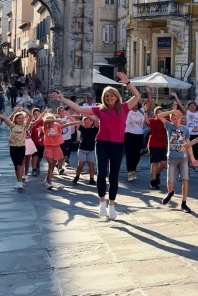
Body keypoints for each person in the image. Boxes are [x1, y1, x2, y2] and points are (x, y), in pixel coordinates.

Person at [51, 72, 141, 220]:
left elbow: (137, 96)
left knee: (114, 175)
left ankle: (112, 205)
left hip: (118, 145)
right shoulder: (100, 109)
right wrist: (63, 99)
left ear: (116, 96)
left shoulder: (124, 107)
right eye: (107, 96)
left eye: (111, 95)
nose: (109, 98)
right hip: (102, 144)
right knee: (101, 174)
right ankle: (102, 202)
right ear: (104, 98)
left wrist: (128, 83)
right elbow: (79, 109)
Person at [158, 109, 198, 213]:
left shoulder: (185, 129)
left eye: (178, 118)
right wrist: (171, 111)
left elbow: (188, 144)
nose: (176, 120)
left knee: (185, 179)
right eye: (174, 118)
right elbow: (159, 115)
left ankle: (184, 203)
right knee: (170, 180)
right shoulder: (169, 126)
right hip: (171, 157)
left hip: (183, 158)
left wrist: (193, 158)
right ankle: (170, 192)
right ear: (171, 119)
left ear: (181, 118)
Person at [0, 107, 31, 191]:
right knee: (16, 166)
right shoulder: (12, 126)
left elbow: (30, 116)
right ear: (15, 119)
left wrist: (23, 109)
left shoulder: (25, 126)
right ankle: (18, 181)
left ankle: (20, 182)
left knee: (19, 165)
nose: (21, 120)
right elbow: (3, 117)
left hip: (21, 148)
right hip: (13, 148)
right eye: (19, 118)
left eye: (22, 118)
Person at [171, 92, 198, 171]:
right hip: (188, 133)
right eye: (190, 106)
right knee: (187, 150)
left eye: (193, 106)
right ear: (188, 107)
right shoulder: (187, 112)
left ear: (196, 107)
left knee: (195, 150)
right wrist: (176, 97)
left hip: (196, 133)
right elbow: (180, 105)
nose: (192, 107)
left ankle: (195, 165)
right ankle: (186, 165)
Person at [124, 96, 148, 182]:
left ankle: (133, 169)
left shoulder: (141, 112)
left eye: (137, 104)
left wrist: (145, 110)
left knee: (137, 155)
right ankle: (130, 172)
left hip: (139, 135)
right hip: (129, 134)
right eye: (134, 104)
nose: (135, 106)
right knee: (129, 155)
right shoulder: (127, 112)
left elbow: (146, 120)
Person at [146, 106, 168, 190]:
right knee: (154, 163)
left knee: (164, 162)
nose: (159, 114)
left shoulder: (166, 121)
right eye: (158, 113)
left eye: (161, 112)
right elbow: (146, 121)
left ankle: (156, 174)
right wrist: (145, 112)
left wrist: (173, 110)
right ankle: (153, 181)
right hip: (153, 144)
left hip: (162, 145)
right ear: (155, 114)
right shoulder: (153, 121)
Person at [73, 116, 99, 185]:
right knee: (81, 163)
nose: (87, 124)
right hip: (82, 149)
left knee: (91, 164)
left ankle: (92, 179)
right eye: (85, 122)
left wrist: (91, 116)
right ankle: (77, 176)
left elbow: (96, 120)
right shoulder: (82, 128)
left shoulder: (95, 129)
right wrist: (70, 116)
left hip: (91, 150)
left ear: (92, 122)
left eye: (88, 122)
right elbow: (75, 122)